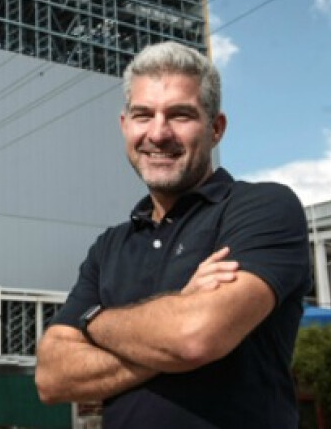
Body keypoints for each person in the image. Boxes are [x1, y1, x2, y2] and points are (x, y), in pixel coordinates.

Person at [35, 41, 311, 428]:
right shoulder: (109, 247)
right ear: (125, 125)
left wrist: (94, 321)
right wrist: (179, 310)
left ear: (216, 128)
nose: (158, 133)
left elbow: (193, 338)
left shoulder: (262, 208)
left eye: (180, 115)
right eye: (143, 115)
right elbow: (51, 377)